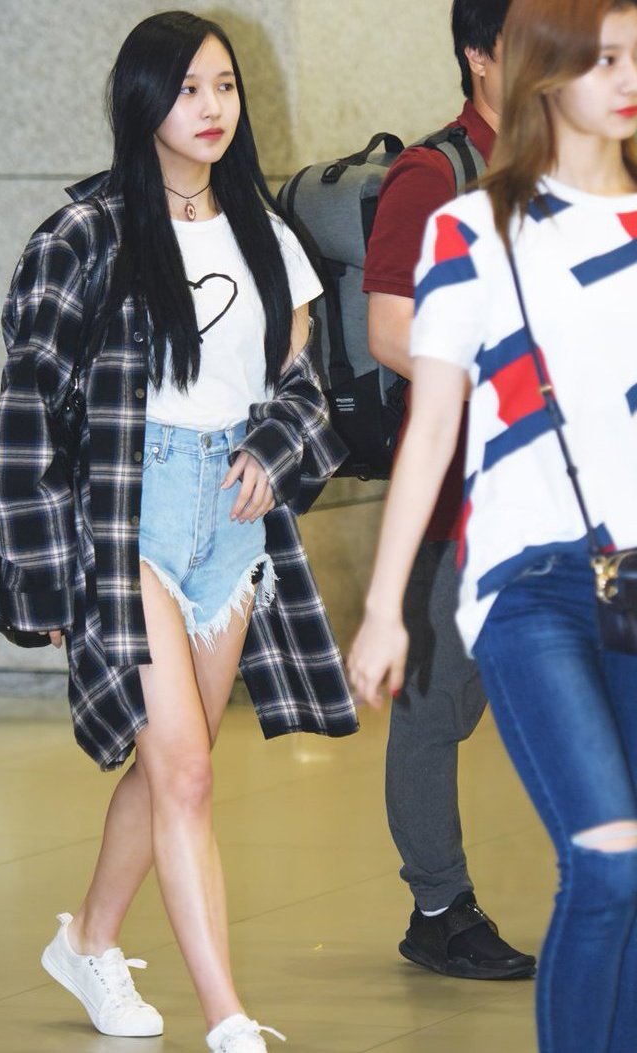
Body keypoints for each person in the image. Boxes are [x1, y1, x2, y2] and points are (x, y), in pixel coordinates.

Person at [0, 11, 359, 1053]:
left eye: (224, 86)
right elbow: (24, 413)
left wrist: (273, 448)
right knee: (184, 770)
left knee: (169, 769)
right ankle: (226, 1016)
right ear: (143, 100)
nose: (211, 107)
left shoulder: (265, 233)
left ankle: (88, 940)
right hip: (124, 516)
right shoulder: (84, 234)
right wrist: (42, 578)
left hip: (228, 525)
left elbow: (304, 388)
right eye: (188, 89)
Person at [349, 0, 637, 1048]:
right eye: (604, 58)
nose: (627, 78)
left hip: (632, 568)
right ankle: (448, 909)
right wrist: (383, 607)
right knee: (606, 858)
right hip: (526, 581)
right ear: (538, 68)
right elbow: (430, 427)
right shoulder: (466, 223)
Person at [363, 0, 535, 980]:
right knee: (434, 707)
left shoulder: (579, 166)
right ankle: (438, 906)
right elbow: (392, 332)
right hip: (462, 495)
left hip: (573, 498)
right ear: (478, 56)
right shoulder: (432, 176)